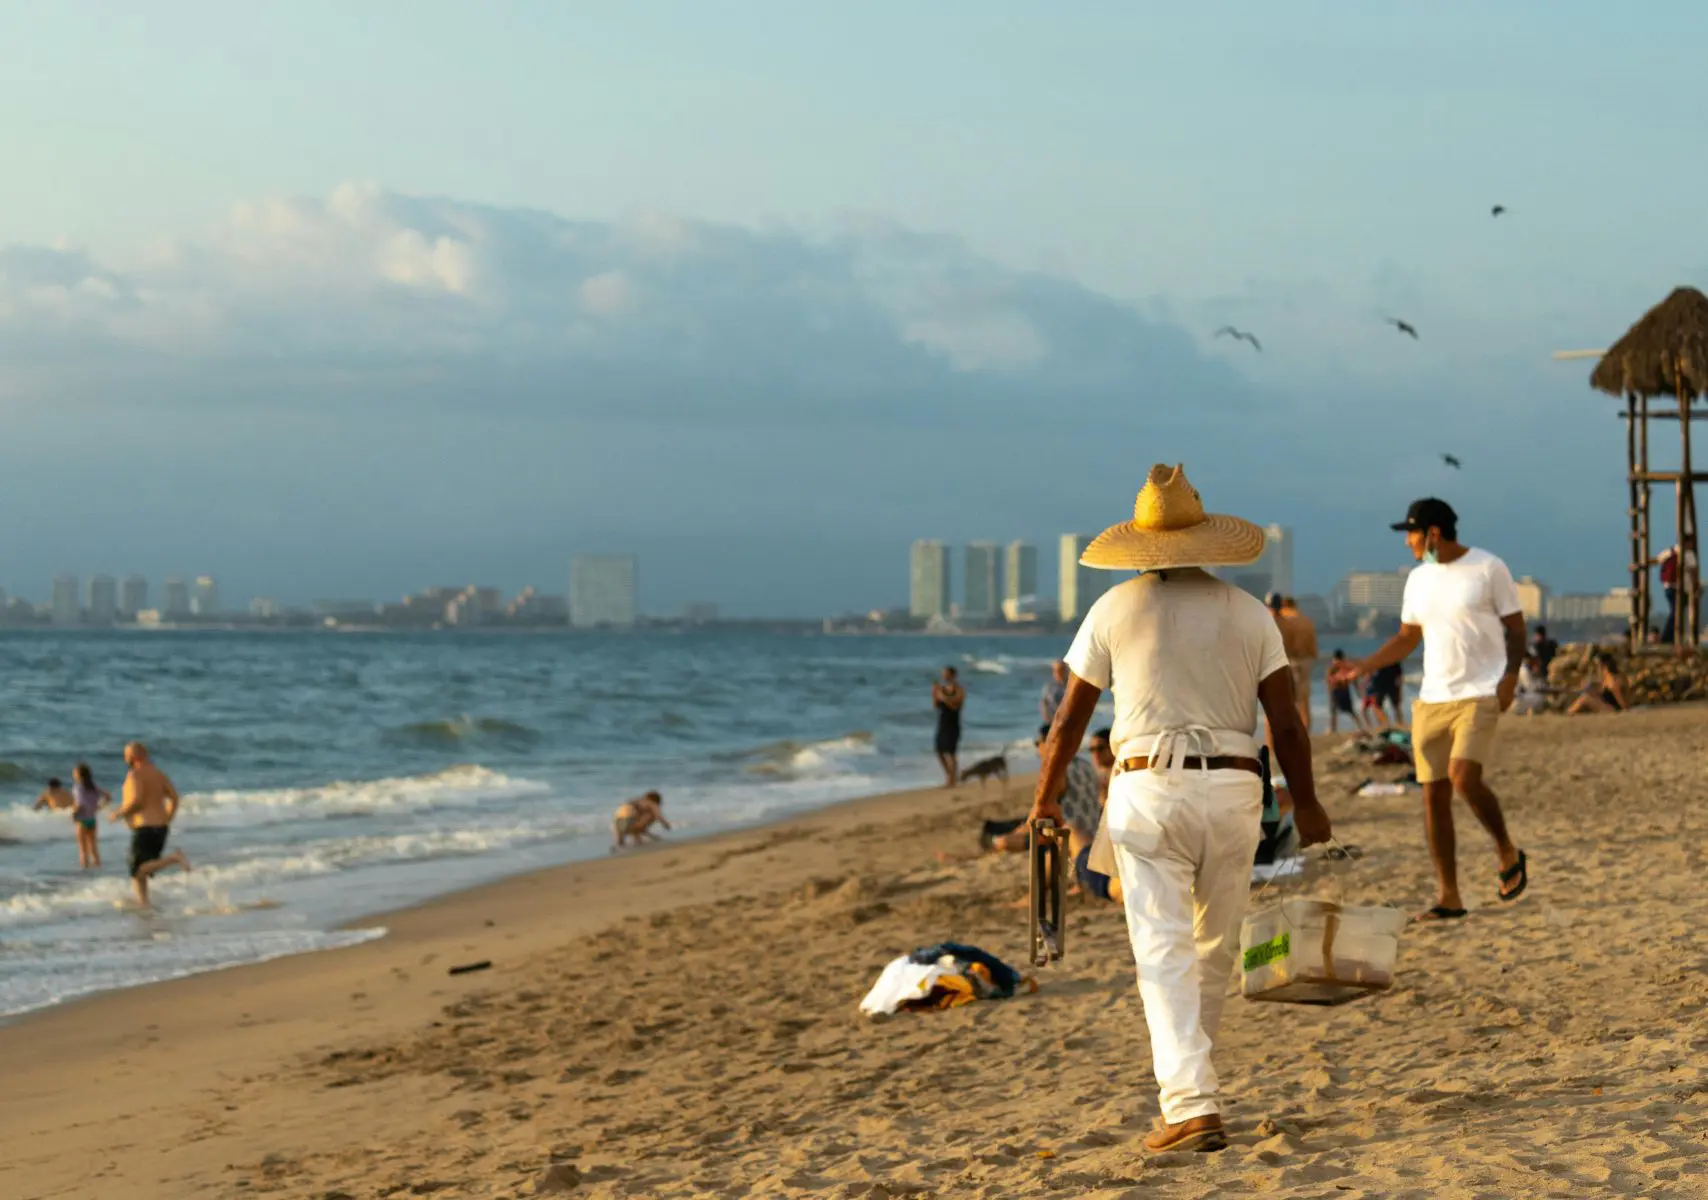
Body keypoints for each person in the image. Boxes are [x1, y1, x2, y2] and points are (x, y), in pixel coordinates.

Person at [1032, 463, 1331, 1155]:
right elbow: (1286, 727)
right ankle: (1196, 1091)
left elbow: (1070, 724)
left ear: (1140, 543)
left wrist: (1045, 797)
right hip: (1234, 789)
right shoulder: (1249, 613)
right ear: (1203, 539)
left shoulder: (1113, 609)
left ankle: (1192, 1103)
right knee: (1213, 947)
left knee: (1161, 950)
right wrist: (1307, 806)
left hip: (1149, 790)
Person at [1330, 498, 1528, 924]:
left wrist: (1510, 677)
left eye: (1412, 533)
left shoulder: (1489, 568)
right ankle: (1449, 896)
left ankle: (1506, 847)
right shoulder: (1418, 580)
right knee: (1433, 796)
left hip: (1480, 692)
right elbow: (1407, 637)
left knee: (1463, 776)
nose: (1408, 542)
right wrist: (1365, 665)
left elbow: (1516, 629)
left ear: (1434, 532)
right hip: (1432, 698)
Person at [108, 743, 190, 907]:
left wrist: (119, 813)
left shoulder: (135, 775)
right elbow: (174, 797)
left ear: (133, 757)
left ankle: (174, 858)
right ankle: (144, 903)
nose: (125, 759)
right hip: (161, 827)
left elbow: (136, 800)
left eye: (126, 755)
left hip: (145, 827)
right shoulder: (159, 774)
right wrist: (168, 817)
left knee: (137, 869)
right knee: (142, 871)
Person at [1269, 595, 1318, 731]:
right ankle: (1305, 732)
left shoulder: (1285, 620)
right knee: (1304, 701)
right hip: (1306, 662)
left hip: (1291, 661)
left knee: (1288, 701)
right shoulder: (1307, 621)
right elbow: (1314, 648)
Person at [70, 763, 111, 869]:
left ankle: (85, 872)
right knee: (93, 847)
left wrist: (74, 814)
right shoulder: (93, 787)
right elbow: (108, 796)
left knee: (83, 849)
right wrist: (98, 807)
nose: (73, 774)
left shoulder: (78, 787)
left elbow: (80, 803)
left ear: (79, 774)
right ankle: (98, 867)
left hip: (82, 819)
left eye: (74, 772)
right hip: (92, 819)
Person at [931, 666, 965, 787]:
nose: (943, 676)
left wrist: (943, 697)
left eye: (946, 674)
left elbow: (956, 705)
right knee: (939, 751)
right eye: (943, 674)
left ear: (952, 675)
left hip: (953, 724)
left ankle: (953, 779)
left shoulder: (959, 690)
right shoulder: (941, 689)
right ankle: (949, 775)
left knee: (951, 753)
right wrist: (934, 694)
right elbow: (935, 706)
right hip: (942, 723)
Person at [1326, 650, 1365, 734]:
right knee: (1336, 711)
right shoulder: (1337, 668)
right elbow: (1329, 682)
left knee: (1346, 710)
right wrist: (1357, 690)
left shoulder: (1337, 667)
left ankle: (1359, 726)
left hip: (1341, 691)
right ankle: (1333, 729)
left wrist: (1357, 690)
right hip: (1339, 691)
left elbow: (1354, 679)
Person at [1659, 547, 1680, 644]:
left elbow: (1658, 559)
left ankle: (1670, 636)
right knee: (1675, 612)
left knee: (1675, 612)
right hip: (1673, 586)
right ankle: (1668, 637)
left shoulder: (1669, 552)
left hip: (1671, 586)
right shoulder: (1671, 553)